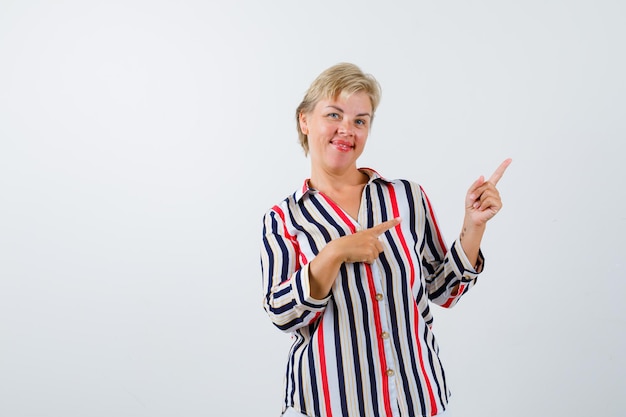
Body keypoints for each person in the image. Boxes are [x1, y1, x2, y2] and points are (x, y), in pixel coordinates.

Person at [260, 62, 511, 417]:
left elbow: (443, 290)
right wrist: (333, 255)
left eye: (360, 120)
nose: (347, 129)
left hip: (414, 398)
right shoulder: (284, 219)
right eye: (334, 114)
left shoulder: (406, 197)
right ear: (305, 120)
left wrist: (474, 224)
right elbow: (282, 315)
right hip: (330, 403)